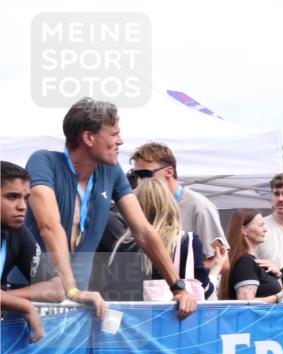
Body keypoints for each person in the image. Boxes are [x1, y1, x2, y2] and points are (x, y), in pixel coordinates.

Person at [23, 97, 196, 320]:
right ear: (89, 137)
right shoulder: (43, 161)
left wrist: (178, 288)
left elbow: (143, 231)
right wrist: (72, 291)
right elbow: (49, 226)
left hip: (78, 301)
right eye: (114, 134)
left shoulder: (111, 171)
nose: (120, 141)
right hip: (33, 297)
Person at [105, 178, 220, 301]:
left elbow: (112, 291)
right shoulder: (187, 241)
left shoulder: (123, 244)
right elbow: (203, 291)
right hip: (177, 312)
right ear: (170, 204)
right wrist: (217, 267)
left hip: (133, 312)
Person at [129, 142, 229, 273]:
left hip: (186, 285)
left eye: (145, 174)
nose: (139, 181)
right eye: (136, 175)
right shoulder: (142, 205)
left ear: (169, 172)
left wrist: (175, 271)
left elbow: (223, 261)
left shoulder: (200, 207)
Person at [1, 161, 64, 342]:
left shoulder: (18, 233)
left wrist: (6, 298)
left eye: (25, 198)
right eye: (12, 197)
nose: (22, 206)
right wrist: (24, 305)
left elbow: (56, 289)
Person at [220, 209, 283, 303]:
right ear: (244, 230)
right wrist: (279, 296)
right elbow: (246, 302)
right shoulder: (245, 263)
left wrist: (277, 274)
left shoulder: (250, 261)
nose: (265, 229)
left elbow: (278, 293)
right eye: (260, 225)